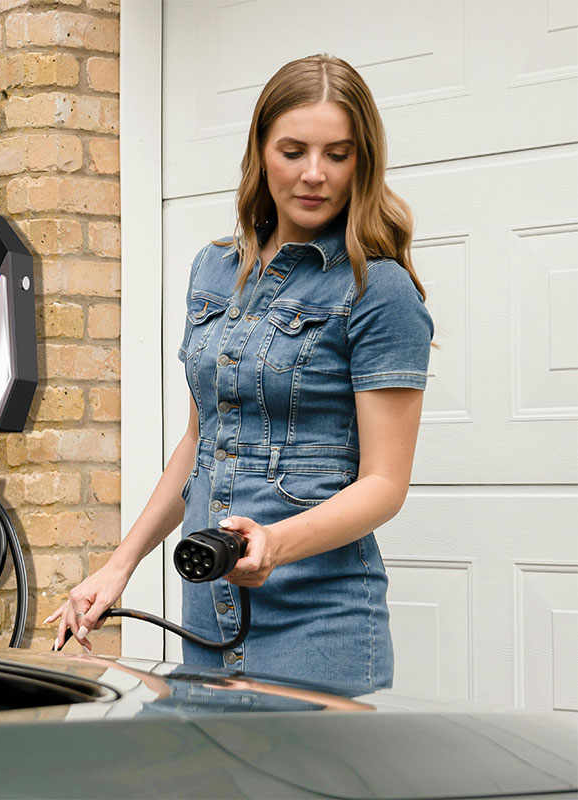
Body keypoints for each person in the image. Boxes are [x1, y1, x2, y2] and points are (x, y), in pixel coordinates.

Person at [46, 54, 433, 691]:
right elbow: (201, 445)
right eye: (293, 150)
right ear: (260, 152)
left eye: (338, 154)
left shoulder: (377, 290)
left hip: (320, 621)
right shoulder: (215, 270)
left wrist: (275, 544)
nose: (314, 174)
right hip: (208, 616)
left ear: (363, 161)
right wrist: (119, 567)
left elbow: (384, 484)